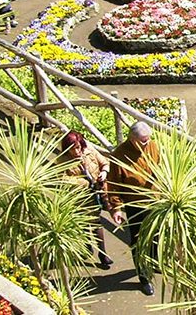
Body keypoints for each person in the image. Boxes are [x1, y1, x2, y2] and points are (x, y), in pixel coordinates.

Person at [106, 122, 160, 296]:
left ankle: (154, 262)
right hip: (135, 205)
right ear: (132, 139)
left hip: (155, 200)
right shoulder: (119, 155)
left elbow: (162, 166)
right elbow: (113, 183)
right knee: (138, 241)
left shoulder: (153, 146)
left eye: (148, 139)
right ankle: (144, 277)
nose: (147, 143)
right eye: (143, 141)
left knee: (156, 235)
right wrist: (116, 207)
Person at [59, 131, 114, 268]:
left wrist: (104, 172)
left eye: (78, 147)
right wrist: (83, 183)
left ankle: (102, 253)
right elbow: (61, 180)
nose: (76, 152)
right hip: (79, 198)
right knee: (83, 223)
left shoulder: (90, 151)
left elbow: (105, 162)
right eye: (72, 149)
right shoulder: (62, 160)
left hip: (95, 193)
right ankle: (87, 246)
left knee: (96, 222)